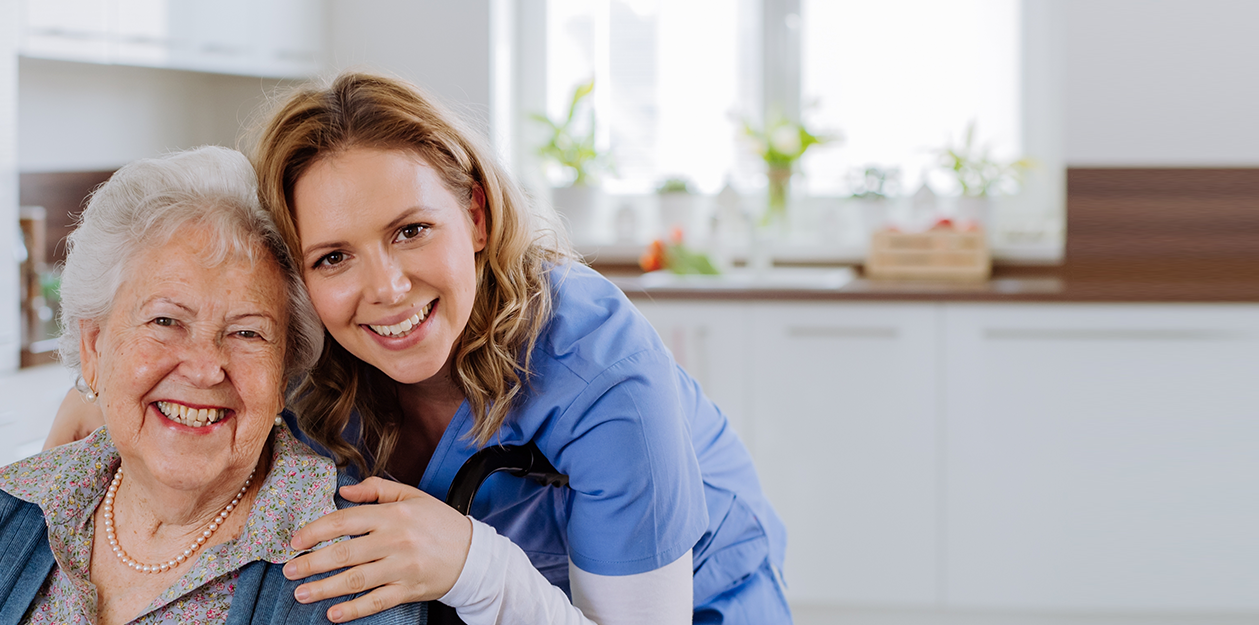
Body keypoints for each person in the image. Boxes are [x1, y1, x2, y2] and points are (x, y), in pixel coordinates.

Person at [49, 72, 790, 624]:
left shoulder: (600, 372)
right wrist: (105, 387)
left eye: (410, 230)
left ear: (473, 214)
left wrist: (474, 563)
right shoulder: (310, 361)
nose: (388, 289)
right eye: (334, 256)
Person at [4, 147, 425, 625]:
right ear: (94, 347)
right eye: (166, 320)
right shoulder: (18, 503)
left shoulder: (354, 569)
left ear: (285, 375)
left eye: (247, 332)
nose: (205, 370)